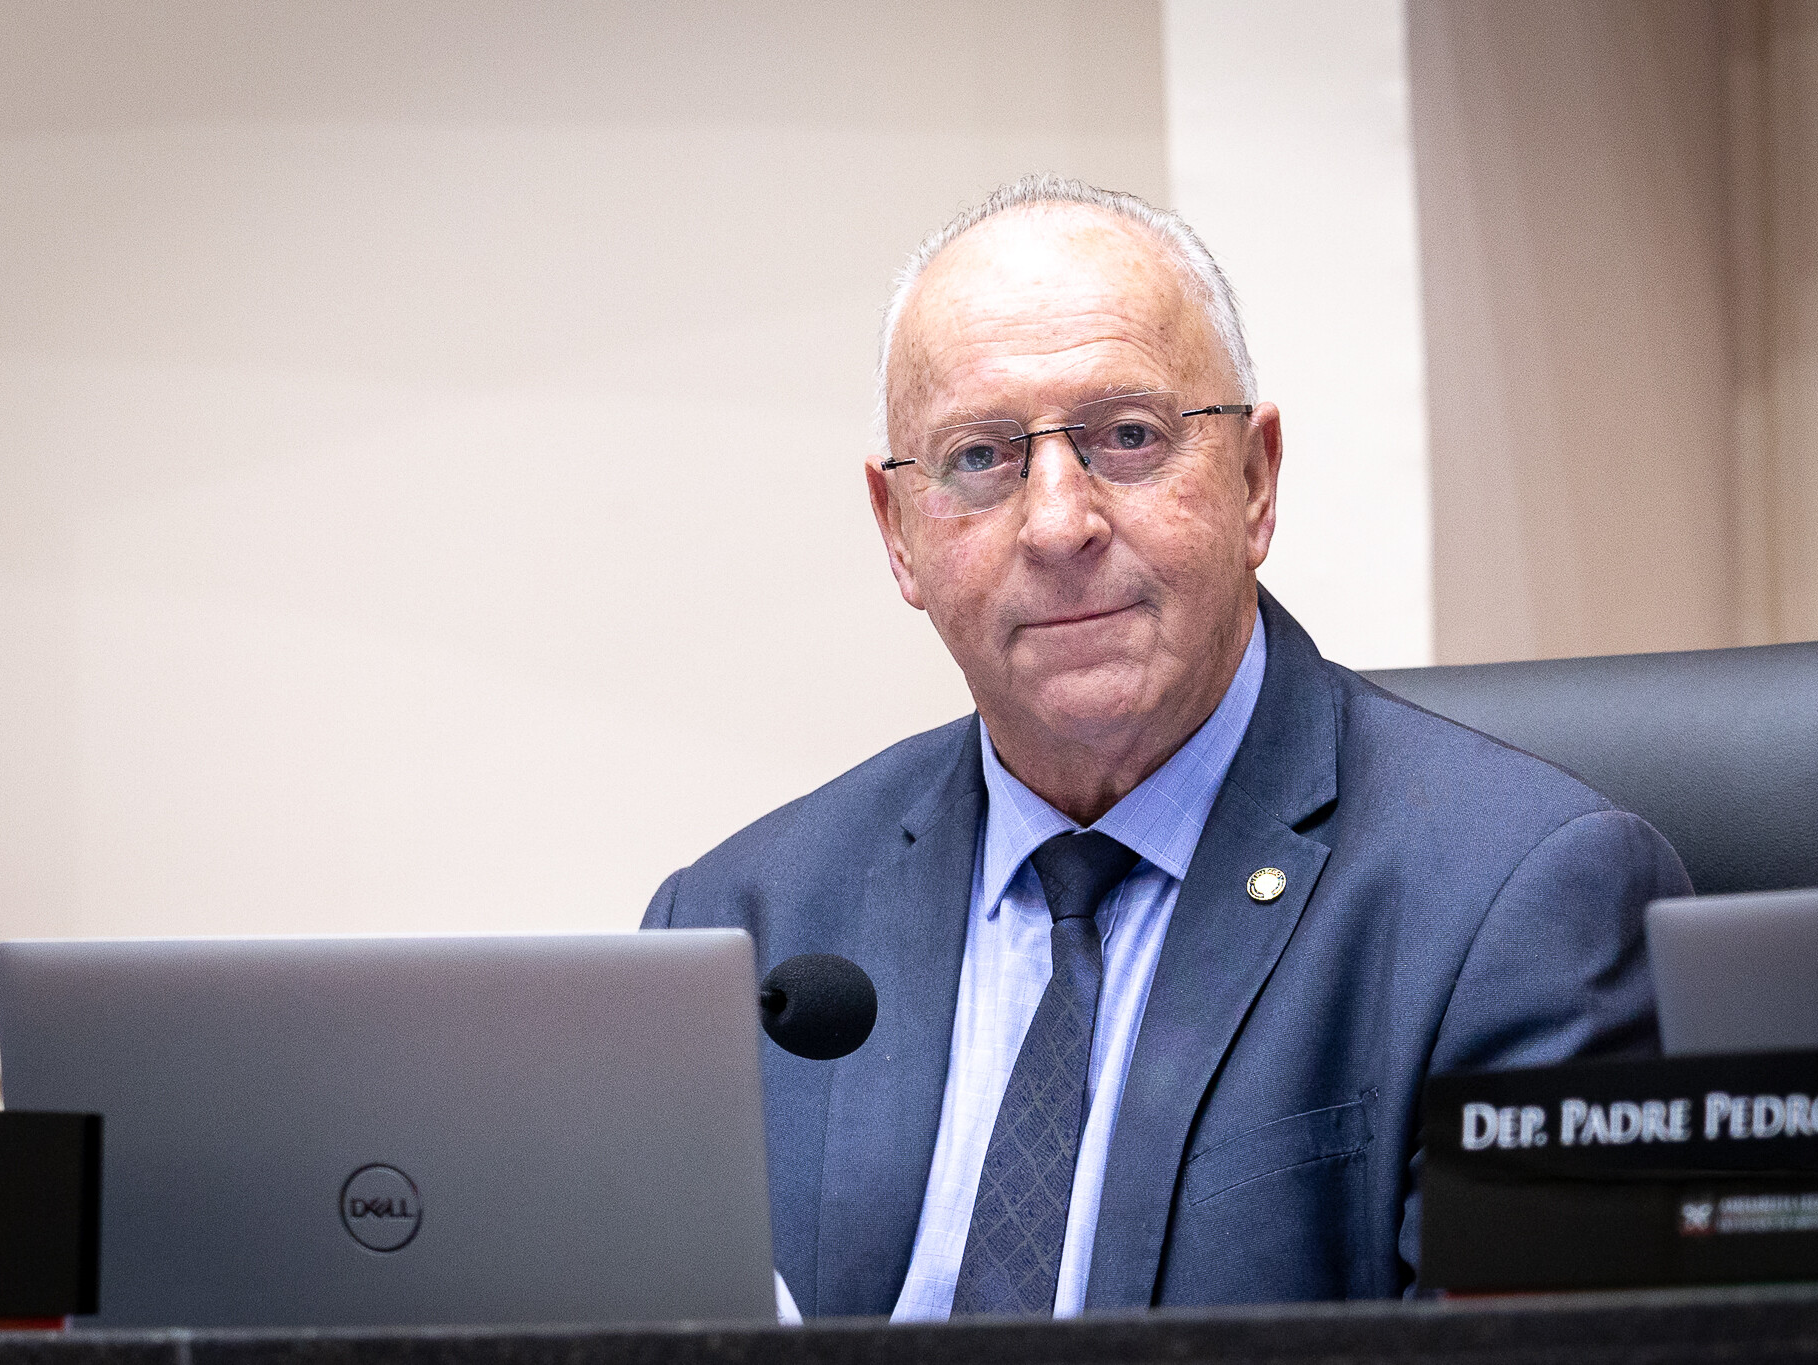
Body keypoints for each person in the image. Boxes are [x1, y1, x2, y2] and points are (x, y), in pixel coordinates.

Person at [643, 174, 1690, 1319]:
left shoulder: (1517, 904)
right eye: (981, 458)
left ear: (1255, 479)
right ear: (896, 533)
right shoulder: (740, 929)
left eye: (1127, 437)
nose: (1058, 524)